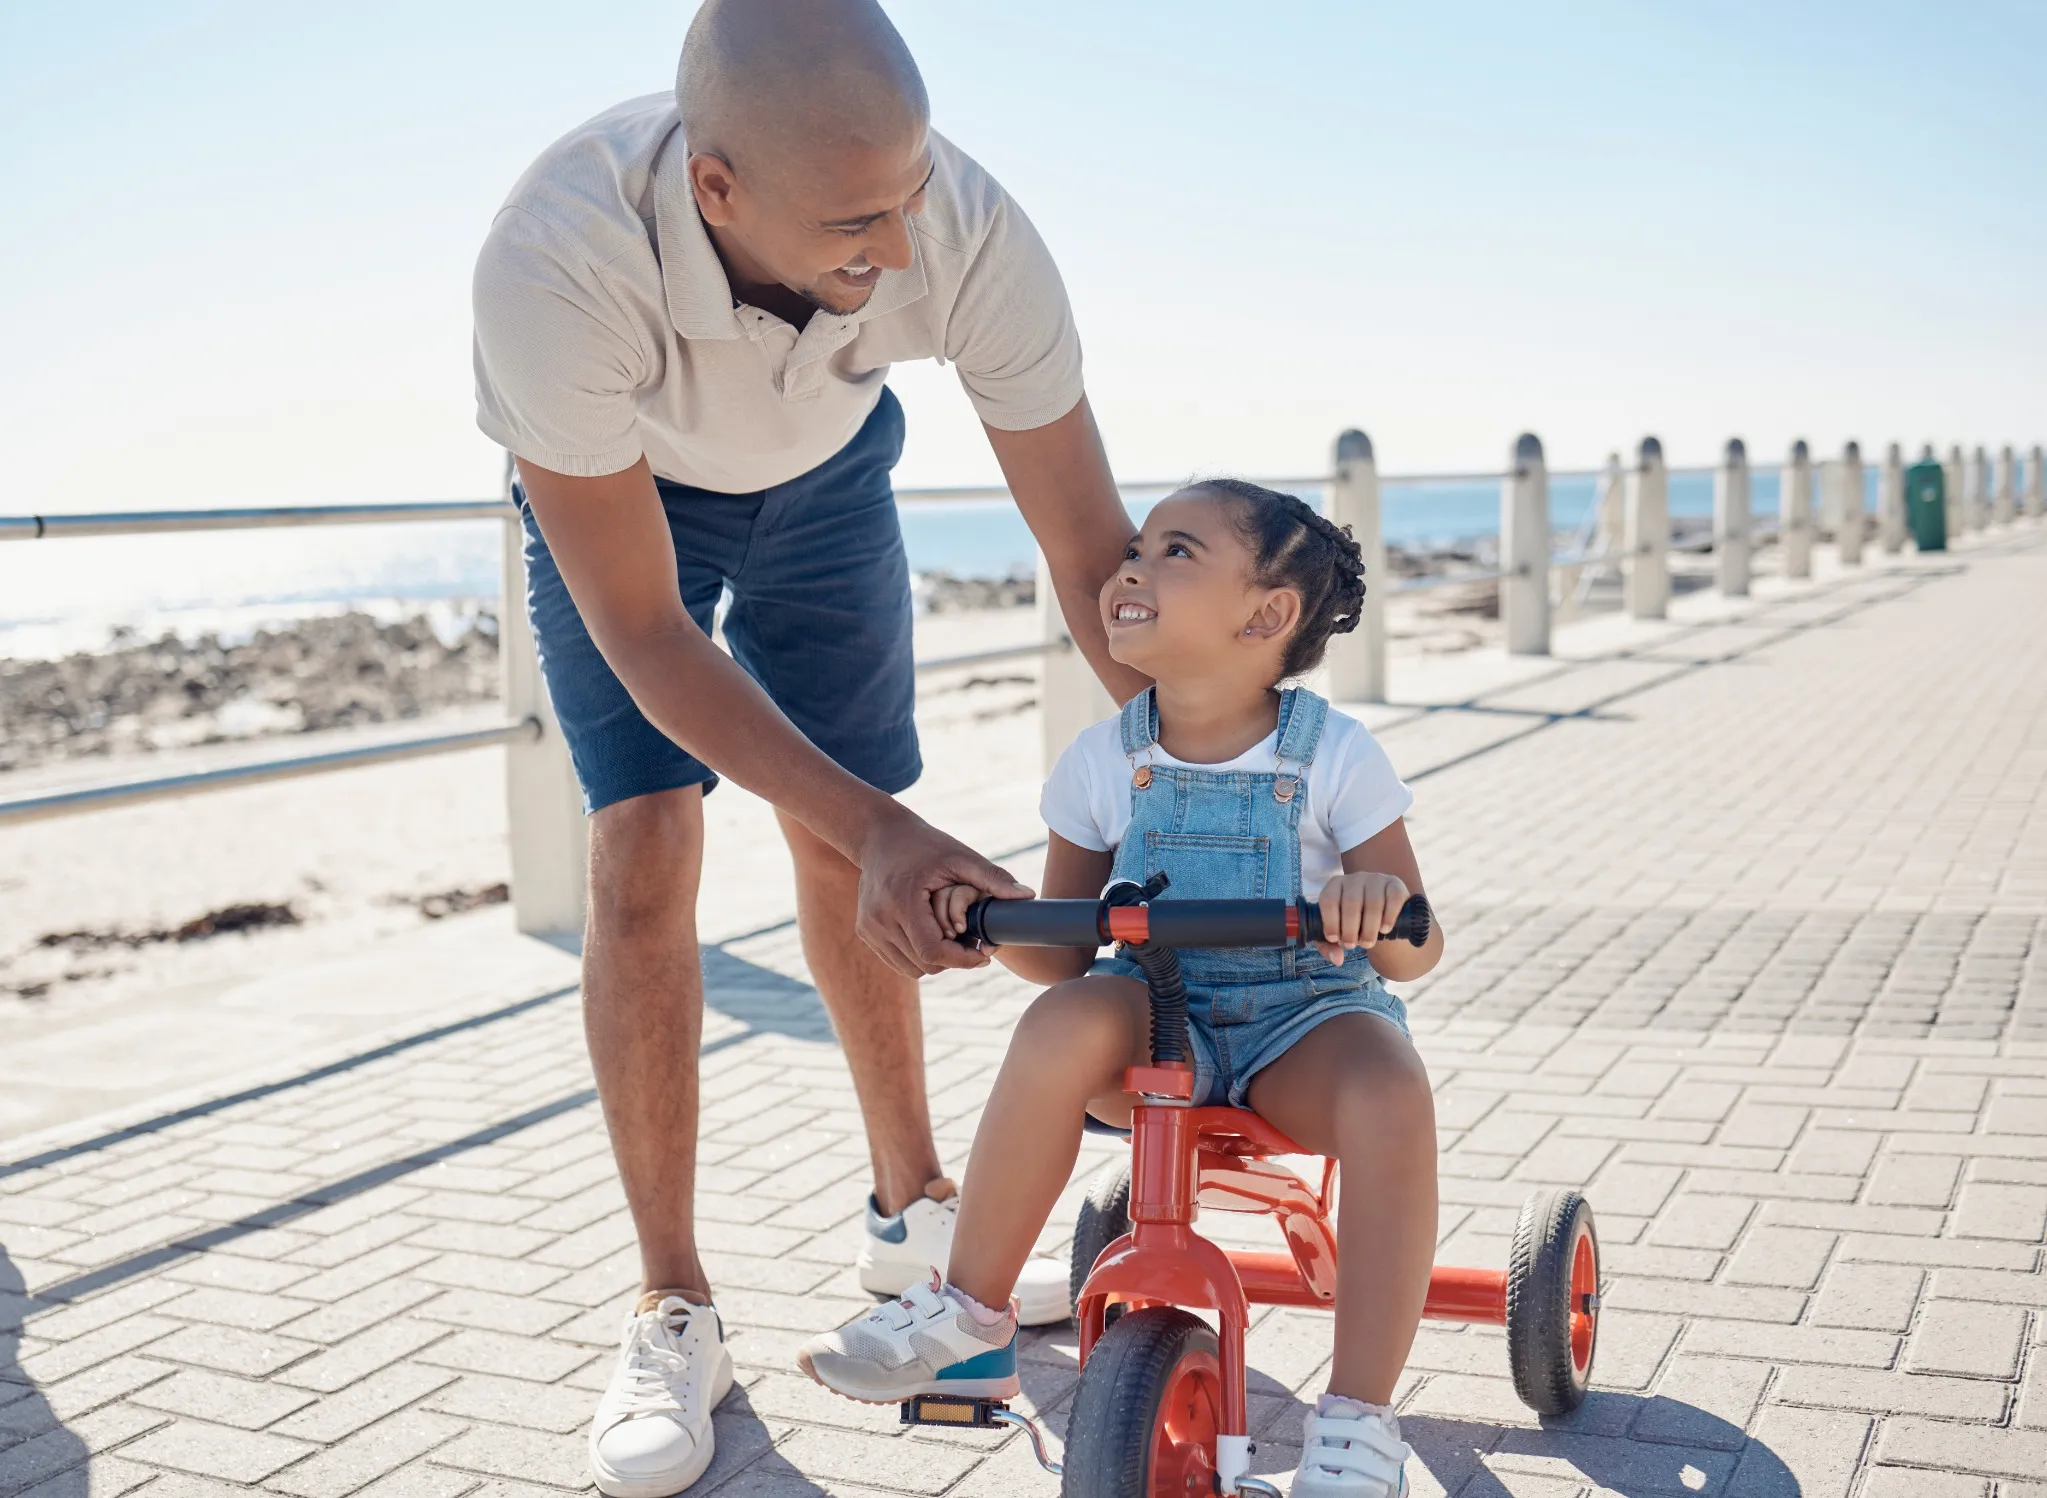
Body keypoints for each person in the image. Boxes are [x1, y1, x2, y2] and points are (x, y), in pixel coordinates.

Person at [470, 1, 1144, 1492]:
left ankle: (910, 1213)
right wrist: (885, 834)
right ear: (716, 187)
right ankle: (672, 1304)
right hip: (626, 498)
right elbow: (647, 634)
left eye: (908, 196)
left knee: (848, 817)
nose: (900, 252)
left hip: (829, 478)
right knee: (647, 842)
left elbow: (1089, 541)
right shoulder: (553, 264)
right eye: (854, 221)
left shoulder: (956, 222)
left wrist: (1203, 769)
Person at [796, 481, 1447, 1498]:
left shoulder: (1332, 756)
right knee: (1063, 1013)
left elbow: (1416, 946)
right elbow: (1061, 950)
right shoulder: (1105, 759)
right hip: (1152, 1025)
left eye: (1174, 551)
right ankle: (968, 1314)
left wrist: (1375, 898)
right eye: (1135, 547)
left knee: (1390, 1085)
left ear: (1265, 614)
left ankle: (1357, 1419)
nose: (1129, 567)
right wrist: (988, 917)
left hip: (1300, 1025)